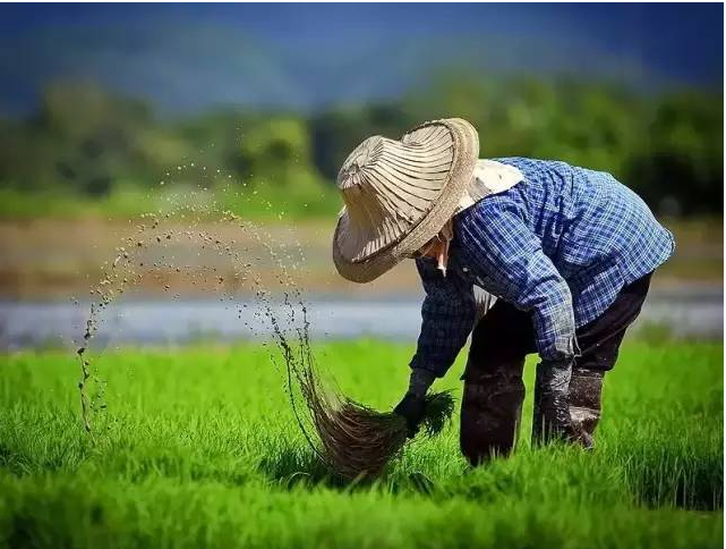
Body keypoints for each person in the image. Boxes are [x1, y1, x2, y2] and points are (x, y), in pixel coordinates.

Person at [331, 118, 675, 465]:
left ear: (430, 212)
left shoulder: (484, 220)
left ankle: (561, 472)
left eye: (413, 242)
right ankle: (488, 470)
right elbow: (447, 307)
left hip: (609, 244)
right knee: (493, 345)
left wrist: (555, 386)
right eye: (405, 245)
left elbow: (549, 294)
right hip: (554, 261)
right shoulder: (427, 241)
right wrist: (417, 391)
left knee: (574, 370)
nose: (413, 251)